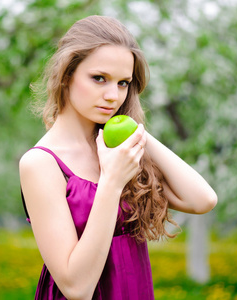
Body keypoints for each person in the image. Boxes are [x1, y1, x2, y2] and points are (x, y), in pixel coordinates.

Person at [19, 15, 217, 300]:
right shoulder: (41, 163)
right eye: (99, 78)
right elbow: (77, 288)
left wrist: (138, 134)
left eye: (123, 83)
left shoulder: (118, 152)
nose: (113, 96)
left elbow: (202, 199)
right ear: (67, 75)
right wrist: (112, 182)